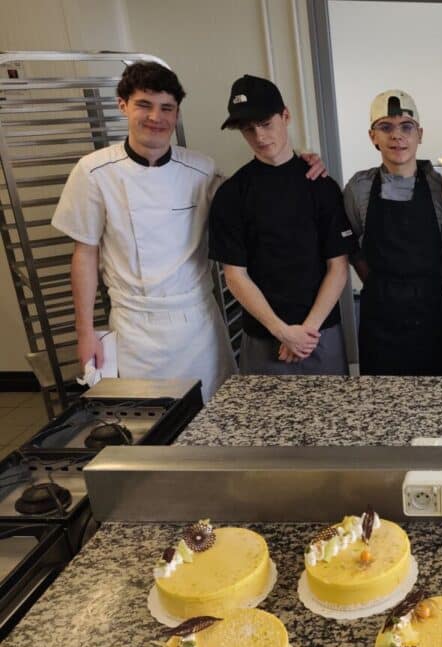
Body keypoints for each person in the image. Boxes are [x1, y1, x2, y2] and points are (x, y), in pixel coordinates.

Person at [54, 61, 236, 402]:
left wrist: (301, 161)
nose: (156, 117)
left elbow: (251, 202)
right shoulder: (94, 172)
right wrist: (85, 333)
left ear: (177, 113)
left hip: (196, 323)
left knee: (213, 419)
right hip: (135, 328)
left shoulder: (201, 169)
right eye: (144, 105)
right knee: (151, 429)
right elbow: (85, 254)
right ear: (123, 105)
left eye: (166, 108)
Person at [209, 75, 354, 376]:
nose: (260, 136)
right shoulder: (231, 193)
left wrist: (306, 332)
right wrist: (283, 332)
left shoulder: (321, 185)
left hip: (320, 333)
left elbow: (338, 268)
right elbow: (235, 275)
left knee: (332, 420)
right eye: (248, 129)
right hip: (263, 337)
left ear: (285, 116)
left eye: (265, 123)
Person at [342, 90, 442, 375]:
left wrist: (424, 286)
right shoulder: (358, 188)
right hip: (379, 312)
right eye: (386, 127)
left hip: (429, 309)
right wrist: (384, 286)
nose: (397, 136)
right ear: (373, 137)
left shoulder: (441, 187)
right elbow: (353, 246)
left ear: (420, 134)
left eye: (406, 127)